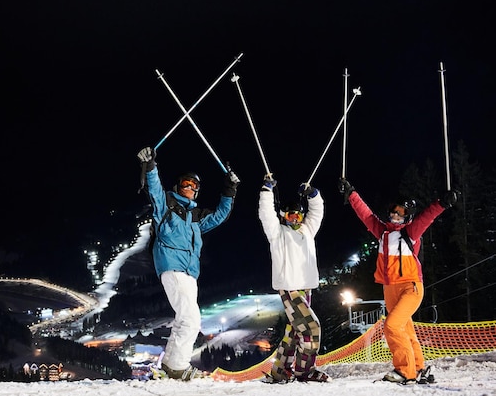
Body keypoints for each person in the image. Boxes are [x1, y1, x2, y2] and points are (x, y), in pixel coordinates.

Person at [338, 177, 459, 385]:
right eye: (394, 210)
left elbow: (427, 217)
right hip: (390, 289)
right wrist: (351, 194)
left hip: (410, 287)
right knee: (404, 328)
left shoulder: (410, 233)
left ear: (407, 216)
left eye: (401, 212)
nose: (395, 215)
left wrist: (442, 203)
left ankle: (405, 371)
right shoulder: (382, 232)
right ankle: (419, 367)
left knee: (392, 327)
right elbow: (365, 214)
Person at [137, 146, 240, 381]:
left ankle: (170, 366)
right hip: (172, 266)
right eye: (186, 183)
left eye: (194, 186)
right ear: (178, 185)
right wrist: (151, 166)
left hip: (190, 272)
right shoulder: (167, 206)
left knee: (185, 319)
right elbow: (154, 190)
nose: (190, 188)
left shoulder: (196, 217)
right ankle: (178, 366)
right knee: (191, 320)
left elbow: (220, 215)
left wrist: (230, 189)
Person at [258, 175, 331, 383]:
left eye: (298, 215)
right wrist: (267, 191)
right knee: (311, 328)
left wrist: (313, 195)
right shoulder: (277, 233)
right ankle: (304, 371)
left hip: (306, 287)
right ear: (283, 216)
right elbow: (266, 215)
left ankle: (280, 371)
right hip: (290, 288)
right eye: (291, 216)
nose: (296, 219)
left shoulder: (307, 230)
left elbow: (317, 212)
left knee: (295, 331)